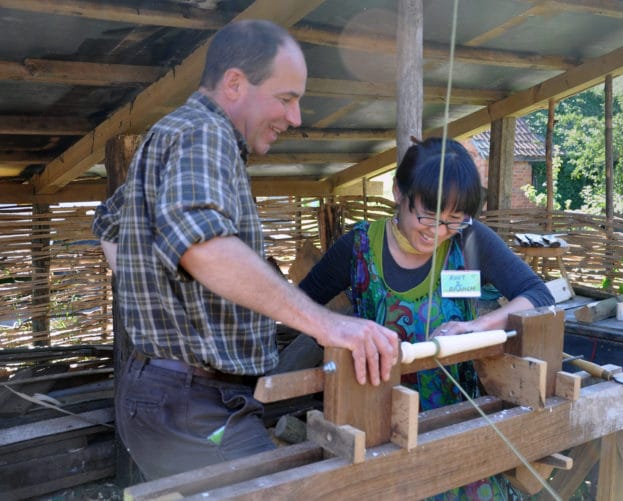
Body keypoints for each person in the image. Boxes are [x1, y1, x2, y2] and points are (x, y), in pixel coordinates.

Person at [91, 20, 398, 480]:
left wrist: (157, 296)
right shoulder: (204, 134)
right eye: (286, 98)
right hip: (194, 404)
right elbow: (201, 245)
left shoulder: (176, 133)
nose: (295, 118)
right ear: (235, 83)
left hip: (173, 394)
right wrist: (330, 324)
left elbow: (110, 224)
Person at [299, 136, 555, 499]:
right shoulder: (358, 249)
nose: (436, 232)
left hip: (458, 427)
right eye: (427, 216)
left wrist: (475, 327)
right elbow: (300, 306)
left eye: (452, 219)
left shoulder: (469, 241)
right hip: (377, 432)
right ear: (398, 193)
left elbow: (538, 295)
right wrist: (339, 336)